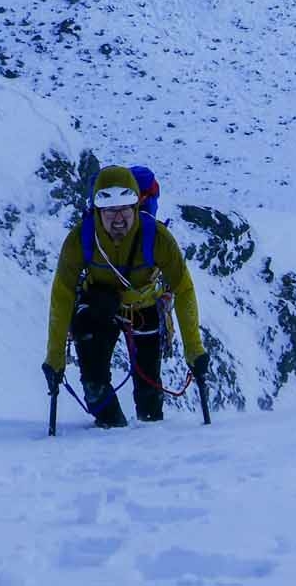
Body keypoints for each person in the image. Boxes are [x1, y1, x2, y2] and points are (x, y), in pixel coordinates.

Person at [42, 164, 208, 426]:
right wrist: (55, 356)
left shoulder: (158, 238)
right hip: (101, 309)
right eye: (110, 210)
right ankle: (114, 428)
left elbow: (183, 288)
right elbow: (62, 294)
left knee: (148, 389)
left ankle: (145, 429)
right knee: (95, 384)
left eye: (124, 209)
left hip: (142, 308)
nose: (118, 218)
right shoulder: (80, 239)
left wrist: (194, 349)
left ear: (136, 207)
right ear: (98, 211)